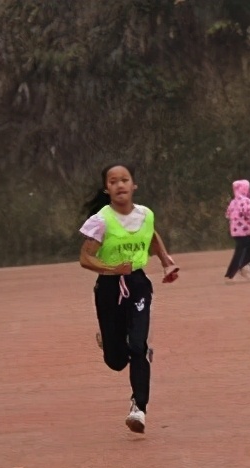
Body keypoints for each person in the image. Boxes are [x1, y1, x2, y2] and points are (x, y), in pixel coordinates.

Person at [79, 164, 179, 433]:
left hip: (137, 284)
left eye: (125, 180)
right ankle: (110, 343)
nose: (120, 185)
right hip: (109, 288)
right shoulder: (101, 220)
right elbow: (85, 258)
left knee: (137, 346)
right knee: (116, 361)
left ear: (133, 185)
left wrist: (166, 261)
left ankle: (139, 408)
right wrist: (112, 269)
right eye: (113, 181)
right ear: (107, 188)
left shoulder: (145, 214)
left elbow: (152, 236)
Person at [223, 180, 250, 282]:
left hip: (235, 232)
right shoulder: (246, 201)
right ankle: (234, 273)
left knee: (248, 250)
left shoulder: (233, 202)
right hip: (244, 232)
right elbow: (248, 215)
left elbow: (227, 214)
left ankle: (238, 271)